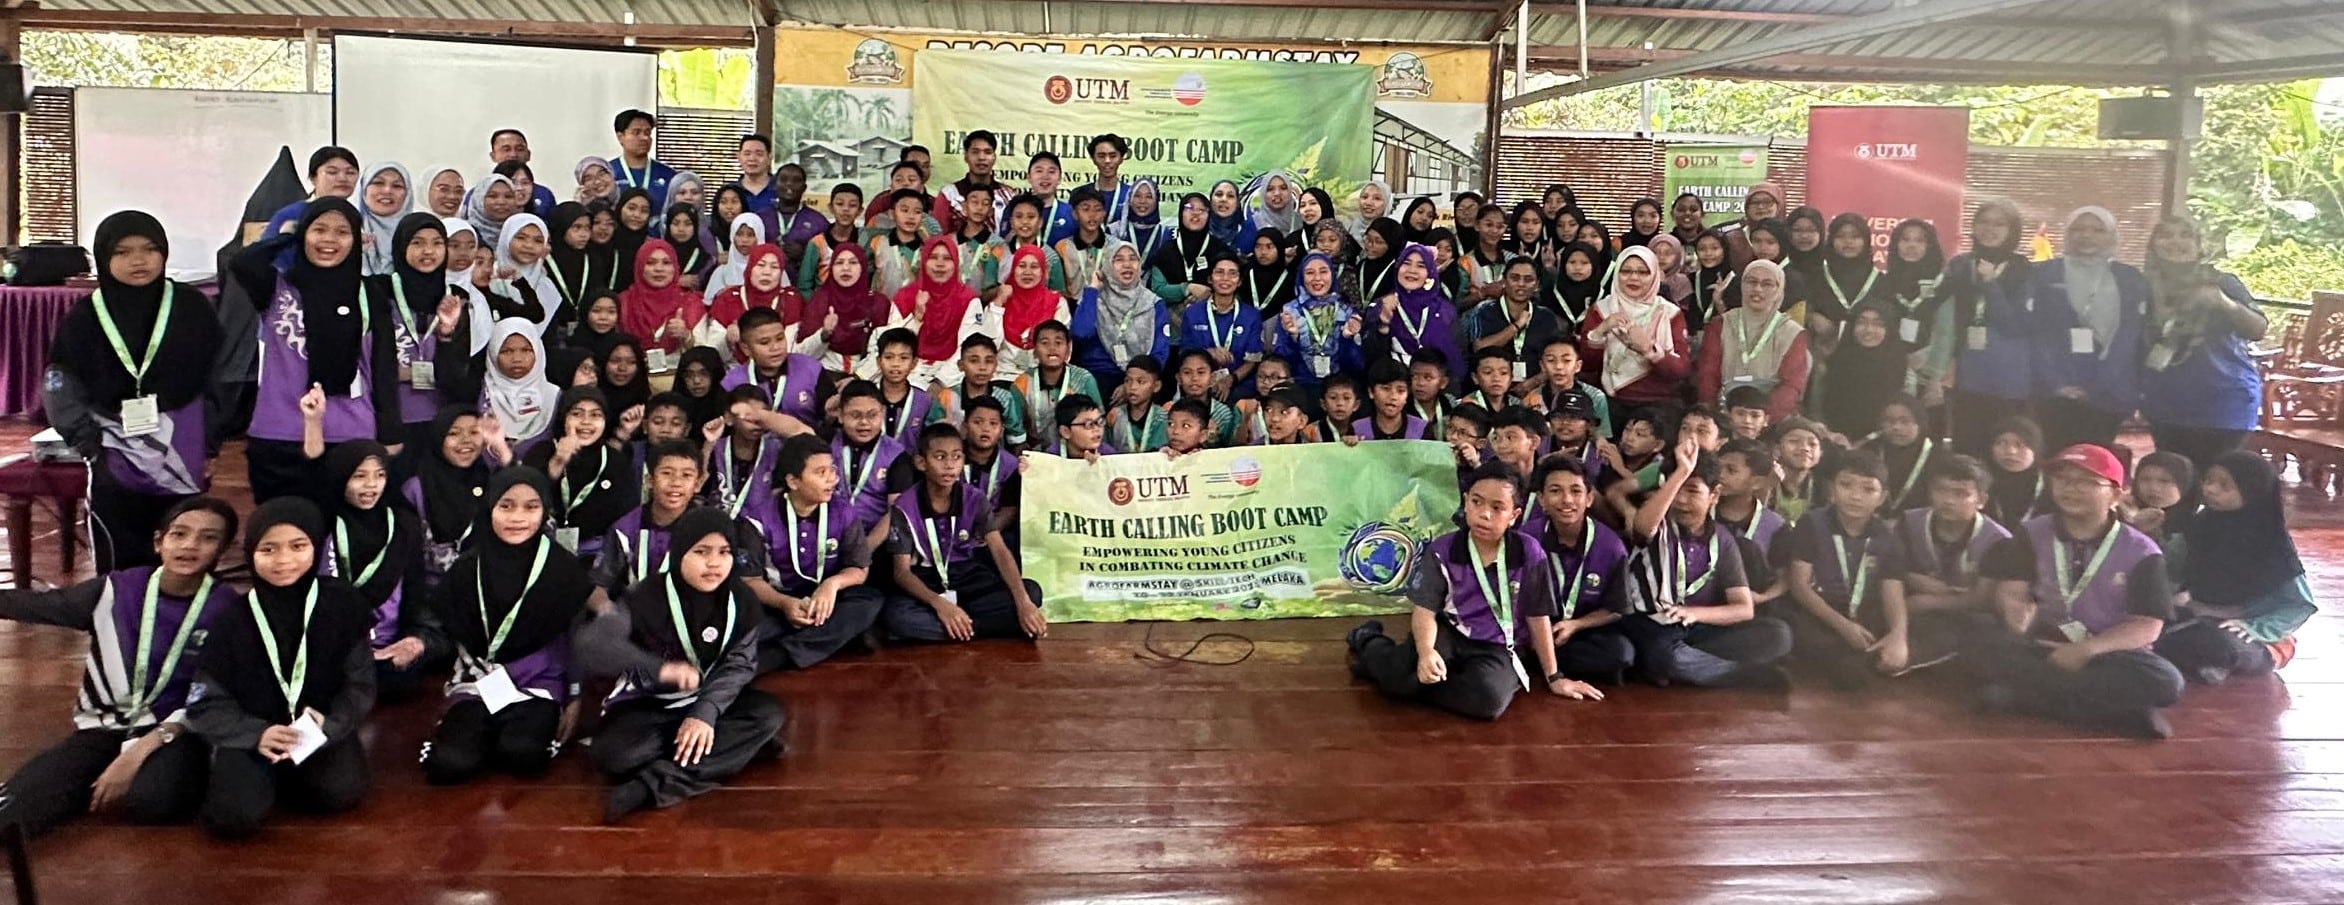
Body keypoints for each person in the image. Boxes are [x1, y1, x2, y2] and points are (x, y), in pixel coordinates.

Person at [0, 497, 240, 838]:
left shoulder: (227, 610)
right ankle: (84, 784)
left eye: (208, 538)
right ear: (160, 542)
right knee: (16, 812)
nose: (190, 545)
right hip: (103, 728)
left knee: (153, 801)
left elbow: (217, 695)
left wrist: (141, 750)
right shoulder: (115, 591)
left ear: (222, 549)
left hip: (173, 731)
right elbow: (39, 605)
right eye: (179, 534)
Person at [1345, 461, 1606, 720]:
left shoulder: (1529, 552)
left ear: (1514, 515)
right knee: (1403, 674)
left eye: (1497, 507)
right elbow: (1425, 611)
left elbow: (1537, 616)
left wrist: (1554, 677)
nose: (1484, 514)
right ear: (1465, 501)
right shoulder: (1442, 550)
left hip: (1500, 643)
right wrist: (1426, 652)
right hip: (1450, 631)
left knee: (1488, 701)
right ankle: (1368, 640)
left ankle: (1409, 680)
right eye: (1477, 502)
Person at [578, 507, 786, 823]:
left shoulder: (741, 599)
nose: (714, 562)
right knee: (613, 756)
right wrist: (658, 668)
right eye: (701, 552)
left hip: (711, 700)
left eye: (724, 552)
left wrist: (705, 713)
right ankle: (732, 750)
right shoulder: (645, 595)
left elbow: (740, 665)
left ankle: (652, 786)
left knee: (770, 714)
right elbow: (592, 644)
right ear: (679, 552)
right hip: (649, 704)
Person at [45, 211, 225, 571]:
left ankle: (180, 621)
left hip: (182, 443)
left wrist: (212, 436)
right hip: (112, 443)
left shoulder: (192, 307)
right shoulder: (85, 316)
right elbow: (59, 380)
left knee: (183, 538)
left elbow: (216, 374)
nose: (138, 260)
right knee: (119, 545)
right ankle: (120, 621)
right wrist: (84, 437)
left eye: (149, 249)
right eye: (123, 252)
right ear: (103, 257)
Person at [188, 498, 375, 839]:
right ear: (251, 553)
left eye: (298, 546)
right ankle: (248, 773)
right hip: (251, 732)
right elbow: (207, 699)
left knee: (339, 793)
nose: (283, 560)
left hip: (316, 731)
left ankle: (280, 777)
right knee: (232, 818)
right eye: (269, 549)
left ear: (316, 547)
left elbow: (359, 684)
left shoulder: (343, 607)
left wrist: (330, 725)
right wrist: (256, 733)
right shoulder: (233, 619)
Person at [1970, 444, 2184, 738]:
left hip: (2108, 652)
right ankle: (2118, 712)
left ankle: (2027, 700)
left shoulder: (2141, 550)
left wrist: (2085, 650)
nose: (2070, 489)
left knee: (2165, 681)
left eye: (2086, 482)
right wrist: (2017, 614)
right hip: (2043, 643)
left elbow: (2147, 625)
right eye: (2063, 480)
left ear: (2115, 494)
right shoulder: (2031, 533)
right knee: (1979, 645)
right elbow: (2013, 590)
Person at [420, 469, 589, 785]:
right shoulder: (468, 566)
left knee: (522, 754)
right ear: (490, 508)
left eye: (531, 507)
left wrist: (575, 696)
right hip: (478, 679)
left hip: (539, 682)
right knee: (449, 765)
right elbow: (447, 627)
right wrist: (417, 644)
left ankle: (509, 733)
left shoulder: (561, 568)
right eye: (506, 506)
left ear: (544, 512)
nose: (518, 517)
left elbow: (575, 636)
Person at [231, 199, 403, 504]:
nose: (329, 240)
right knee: (283, 533)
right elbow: (244, 262)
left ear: (356, 240)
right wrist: (288, 236)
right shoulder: (276, 287)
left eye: (342, 232)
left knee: (340, 537)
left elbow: (382, 365)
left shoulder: (369, 292)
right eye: (318, 230)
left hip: (350, 433)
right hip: (280, 433)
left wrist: (389, 430)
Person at [1614, 436, 1793, 690]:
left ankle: (1685, 665)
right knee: (1661, 651)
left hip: (1694, 627)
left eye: (1692, 491)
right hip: (1650, 621)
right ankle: (1737, 675)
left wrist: (1695, 613)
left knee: (1777, 633)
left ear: (1714, 494)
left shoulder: (1723, 539)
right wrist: (1682, 471)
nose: (1681, 500)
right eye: (1676, 490)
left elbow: (1743, 608)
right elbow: (1643, 527)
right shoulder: (1659, 524)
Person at [2156, 451, 2313, 685]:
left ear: (2252, 492)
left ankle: (2205, 660)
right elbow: (2168, 571)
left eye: (2224, 485)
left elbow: (2299, 604)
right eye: (2208, 481)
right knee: (2144, 624)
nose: (2210, 490)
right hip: (2198, 614)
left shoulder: (2271, 542)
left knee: (2219, 645)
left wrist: (2254, 627)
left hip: (2252, 632)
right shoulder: (2199, 526)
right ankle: (2198, 662)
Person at [881, 424, 1048, 642]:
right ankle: (975, 627)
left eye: (956, 457)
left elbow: (999, 550)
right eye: (940, 457)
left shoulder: (975, 498)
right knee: (896, 616)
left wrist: (1023, 602)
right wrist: (941, 605)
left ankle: (956, 627)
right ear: (921, 462)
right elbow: (902, 573)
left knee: (1032, 592)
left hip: (968, 577)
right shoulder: (905, 506)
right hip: (928, 581)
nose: (949, 465)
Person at [1777, 450, 1918, 689]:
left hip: (1864, 614)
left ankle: (1862, 658)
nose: (1855, 496)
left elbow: (1892, 591)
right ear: (1832, 489)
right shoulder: (1812, 523)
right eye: (1846, 485)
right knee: (1793, 631)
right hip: (1820, 613)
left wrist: (1898, 636)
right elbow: (1799, 586)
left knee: (1926, 632)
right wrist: (1843, 626)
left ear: (1882, 497)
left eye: (1868, 489)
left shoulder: (1887, 534)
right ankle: (1852, 662)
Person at [2137, 215, 2267, 467]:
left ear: (2200, 245)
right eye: (2166, 235)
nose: (2176, 241)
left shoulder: (2222, 283)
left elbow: (2258, 329)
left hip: (2222, 403)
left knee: (2216, 483)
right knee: (2175, 483)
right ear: (2153, 245)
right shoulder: (2140, 287)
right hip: (2164, 402)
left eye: (2185, 235)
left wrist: (2225, 304)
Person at [754, 434, 887, 671]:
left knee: (868, 601)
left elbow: (859, 568)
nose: (831, 480)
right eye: (820, 473)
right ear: (793, 481)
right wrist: (784, 603)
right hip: (777, 601)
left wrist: (832, 585)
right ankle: (825, 638)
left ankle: (783, 653)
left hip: (827, 599)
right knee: (748, 623)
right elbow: (750, 579)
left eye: (832, 471)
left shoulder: (843, 511)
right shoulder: (758, 517)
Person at [318, 442, 434, 702]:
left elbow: (416, 588)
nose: (371, 485)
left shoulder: (403, 525)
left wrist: (413, 638)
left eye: (379, 475)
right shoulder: (322, 525)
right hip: (335, 646)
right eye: (360, 476)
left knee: (402, 677)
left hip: (389, 644)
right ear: (340, 476)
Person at [2029, 207, 2149, 451]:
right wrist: (2056, 384)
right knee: (2057, 464)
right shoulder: (2042, 274)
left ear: (2112, 236)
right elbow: (2034, 334)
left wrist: (2105, 384)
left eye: (2097, 230)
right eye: (2078, 229)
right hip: (2055, 393)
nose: (2087, 236)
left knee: (2099, 464)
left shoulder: (2129, 277)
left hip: (2109, 391)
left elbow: (2132, 336)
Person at [1942, 199, 2037, 455]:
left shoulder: (2024, 270)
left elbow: (2015, 325)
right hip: (1966, 375)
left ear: (2012, 230)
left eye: (1999, 224)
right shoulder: (1960, 265)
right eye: (1982, 222)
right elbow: (1945, 319)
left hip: (2007, 378)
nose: (1989, 229)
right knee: (1966, 449)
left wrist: (1990, 283)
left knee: (2004, 452)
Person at [522, 387, 640, 559]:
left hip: (599, 555)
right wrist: (557, 463)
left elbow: (628, 515)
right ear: (564, 417)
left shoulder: (614, 459)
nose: (586, 422)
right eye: (577, 414)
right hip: (542, 549)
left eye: (595, 415)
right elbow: (525, 499)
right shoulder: (541, 452)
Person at [1897, 453, 2013, 616]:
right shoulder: (1909, 522)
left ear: (1981, 500)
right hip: (1907, 609)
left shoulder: (1998, 539)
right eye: (1941, 490)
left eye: (1960, 494)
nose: (1948, 500)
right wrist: (1910, 578)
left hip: (1971, 619)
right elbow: (1887, 570)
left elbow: (1985, 599)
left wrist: (1929, 602)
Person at [1696, 259, 1809, 421]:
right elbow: (1708, 375)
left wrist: (1761, 419)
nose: (1757, 289)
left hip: (1771, 418)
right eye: (1751, 281)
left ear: (1779, 290)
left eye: (1767, 284)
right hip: (1723, 415)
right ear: (1742, 285)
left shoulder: (1792, 332)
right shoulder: (1721, 324)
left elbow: (1791, 386)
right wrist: (1718, 417)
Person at [1582, 246, 1691, 409]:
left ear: (1654, 276)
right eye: (1626, 271)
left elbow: (1681, 370)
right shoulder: (1602, 310)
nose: (1633, 278)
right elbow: (1588, 365)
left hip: (1660, 402)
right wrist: (1601, 331)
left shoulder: (1670, 313)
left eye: (1643, 272)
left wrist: (1649, 350)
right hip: (1612, 401)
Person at [404, 406, 493, 583]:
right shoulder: (416, 488)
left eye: (474, 432)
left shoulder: (490, 479)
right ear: (438, 438)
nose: (466, 440)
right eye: (454, 433)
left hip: (487, 586)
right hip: (434, 590)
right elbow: (411, 553)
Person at [1270, 253, 1365, 391]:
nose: (1317, 278)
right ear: (1301, 277)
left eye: (1323, 271)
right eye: (1309, 273)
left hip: (1338, 387)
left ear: (1332, 275)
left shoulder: (1347, 312)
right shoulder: (1290, 312)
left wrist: (1347, 339)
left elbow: (1356, 366)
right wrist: (1293, 337)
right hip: (1300, 385)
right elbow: (1281, 362)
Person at [797, 242, 889, 375]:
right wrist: (824, 334)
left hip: (866, 377)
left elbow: (885, 353)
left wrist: (858, 378)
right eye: (839, 263)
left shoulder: (878, 303)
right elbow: (801, 355)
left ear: (863, 267)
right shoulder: (820, 301)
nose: (845, 268)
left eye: (853, 262)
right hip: (824, 373)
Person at [1819, 302, 1909, 438]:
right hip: (1832, 440)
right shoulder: (1833, 364)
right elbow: (1818, 410)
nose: (1869, 330)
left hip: (1883, 442)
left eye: (1878, 324)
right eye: (1862, 323)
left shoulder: (1901, 369)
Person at [1369, 243, 1461, 374]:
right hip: (1394, 387)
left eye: (1421, 266)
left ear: (1430, 273)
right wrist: (1382, 327)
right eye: (1406, 263)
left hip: (1434, 387)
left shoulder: (1445, 311)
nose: (1412, 270)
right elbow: (1370, 359)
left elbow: (1456, 359)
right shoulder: (1381, 306)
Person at [478, 319, 561, 457]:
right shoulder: (480, 393)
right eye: (506, 351)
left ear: (538, 352)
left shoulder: (554, 396)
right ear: (493, 352)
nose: (517, 358)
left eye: (526, 350)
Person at [1861, 393, 1944, 513]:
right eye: (1889, 421)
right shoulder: (1870, 450)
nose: (1896, 427)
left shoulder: (1938, 457)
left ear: (1919, 423)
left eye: (1904, 421)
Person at [263, 146, 362, 239]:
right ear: (313, 178)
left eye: (350, 173)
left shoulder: (356, 215)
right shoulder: (292, 214)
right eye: (332, 172)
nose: (342, 178)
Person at [935, 130, 1008, 236]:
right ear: (966, 156)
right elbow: (938, 236)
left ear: (994, 158)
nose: (981, 158)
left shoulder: (1008, 195)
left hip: (1000, 251)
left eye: (987, 152)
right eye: (975, 152)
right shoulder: (949, 194)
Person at [354, 162, 413, 276]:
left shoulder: (420, 231)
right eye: (378, 183)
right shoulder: (348, 230)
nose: (387, 190)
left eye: (397, 186)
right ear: (363, 189)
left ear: (407, 194)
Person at [608, 109, 675, 199]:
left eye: (647, 133)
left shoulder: (668, 175)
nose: (644, 138)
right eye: (636, 132)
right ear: (620, 137)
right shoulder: (608, 173)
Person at [734, 134, 778, 211]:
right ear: (739, 157)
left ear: (769, 157)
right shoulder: (730, 191)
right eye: (747, 154)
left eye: (759, 154)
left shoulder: (781, 190)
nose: (752, 158)